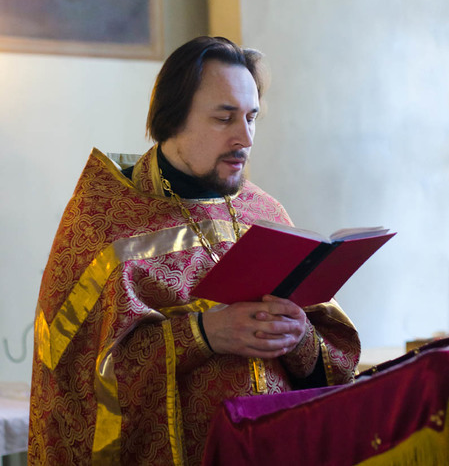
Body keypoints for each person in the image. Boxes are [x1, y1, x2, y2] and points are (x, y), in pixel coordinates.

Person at [28, 36, 361, 465]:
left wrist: (299, 338)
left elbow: (331, 364)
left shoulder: (265, 211)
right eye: (224, 118)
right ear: (173, 118)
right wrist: (202, 335)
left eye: (252, 118)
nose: (245, 137)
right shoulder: (103, 220)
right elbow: (76, 381)